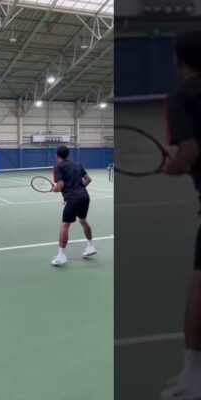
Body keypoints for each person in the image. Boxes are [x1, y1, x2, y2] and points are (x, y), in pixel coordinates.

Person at [160, 31, 201, 400]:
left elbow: (189, 151)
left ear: (179, 62)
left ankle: (193, 378)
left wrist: (172, 167)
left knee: (199, 286)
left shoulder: (182, 98)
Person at [51, 146, 96, 266]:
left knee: (65, 225)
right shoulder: (77, 164)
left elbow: (60, 185)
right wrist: (80, 189)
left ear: (57, 155)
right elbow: (88, 179)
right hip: (84, 196)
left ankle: (61, 256)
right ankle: (91, 246)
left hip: (72, 199)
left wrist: (54, 189)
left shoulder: (58, 167)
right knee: (83, 221)